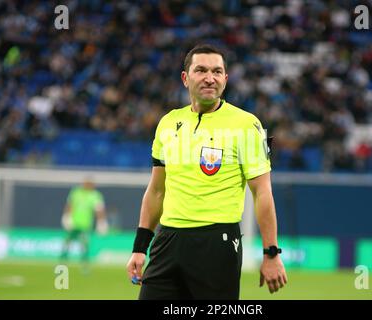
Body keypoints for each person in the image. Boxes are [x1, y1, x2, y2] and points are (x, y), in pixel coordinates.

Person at [126, 44, 287, 299]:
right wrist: (139, 248)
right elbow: (157, 191)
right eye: (201, 70)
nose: (209, 78)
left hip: (217, 242)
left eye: (216, 71)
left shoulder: (246, 125)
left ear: (225, 78)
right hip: (167, 241)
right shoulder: (168, 123)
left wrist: (271, 253)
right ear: (185, 78)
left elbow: (263, 194)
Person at [60, 177, 108, 266]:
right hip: (73, 223)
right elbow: (69, 205)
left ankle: (84, 263)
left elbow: (99, 210)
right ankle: (63, 261)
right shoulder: (76, 193)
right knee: (67, 242)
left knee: (85, 245)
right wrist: (66, 217)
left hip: (85, 224)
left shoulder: (95, 195)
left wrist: (101, 222)